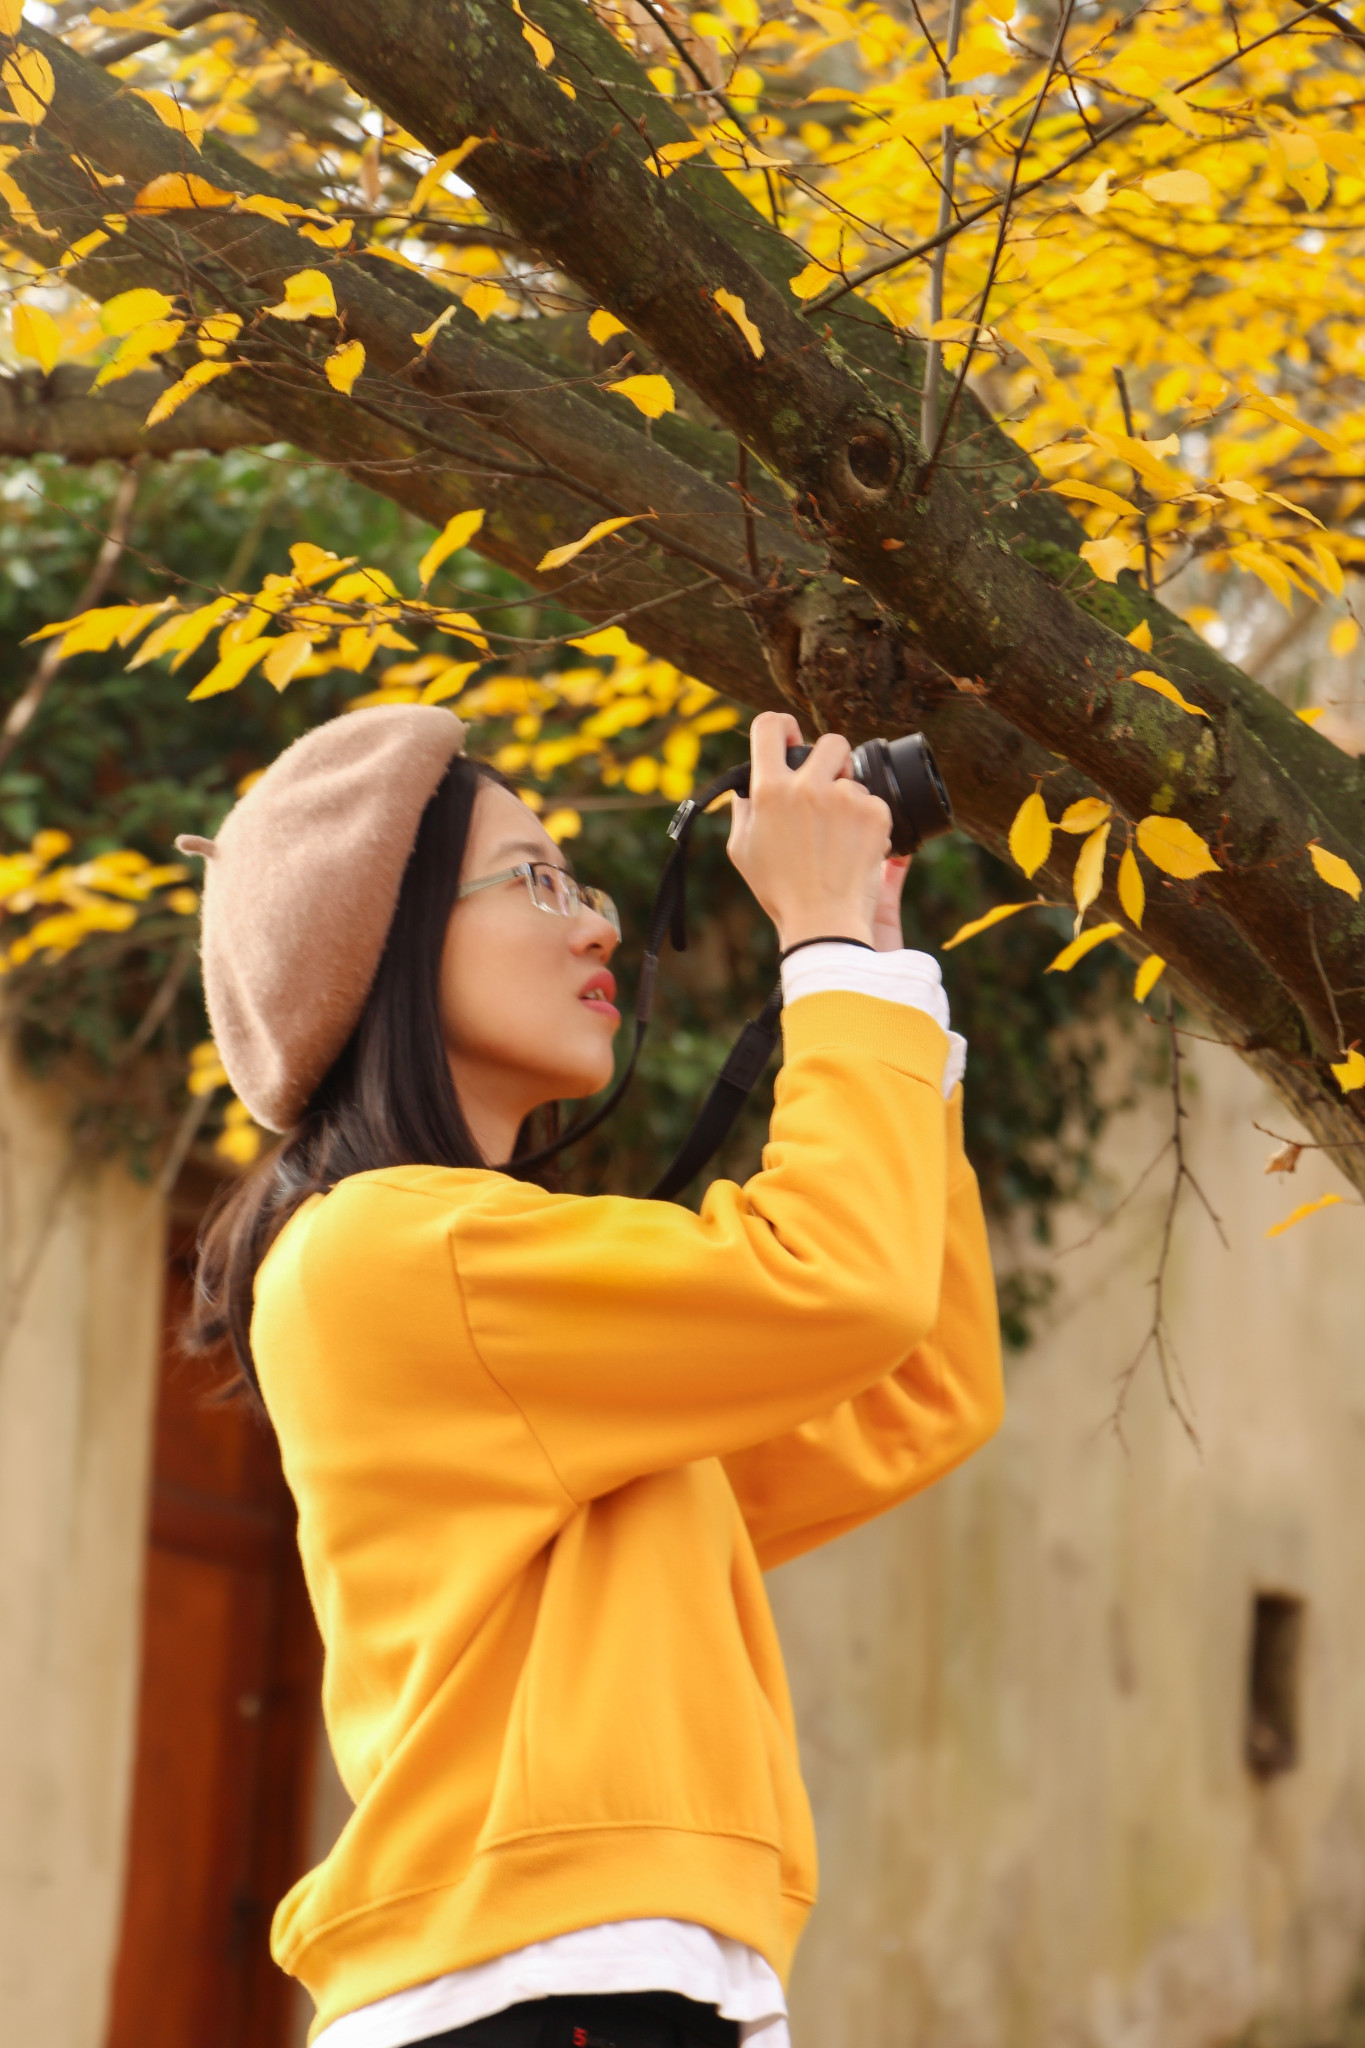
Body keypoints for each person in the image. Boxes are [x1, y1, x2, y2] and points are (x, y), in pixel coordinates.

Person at [182, 701, 1003, 2048]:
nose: (600, 924)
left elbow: (911, 1386)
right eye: (535, 880)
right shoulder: (394, 1251)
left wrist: (876, 972)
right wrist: (824, 959)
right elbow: (838, 1285)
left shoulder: (507, 1314)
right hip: (543, 1987)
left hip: (590, 1982)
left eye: (584, 882)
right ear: (383, 937)